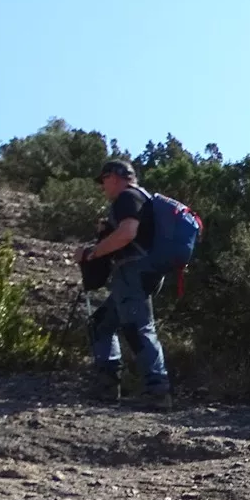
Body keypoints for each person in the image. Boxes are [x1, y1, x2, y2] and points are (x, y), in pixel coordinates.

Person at [78, 160, 171, 409]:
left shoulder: (128, 197)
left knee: (138, 329)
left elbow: (128, 233)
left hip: (133, 273)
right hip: (141, 273)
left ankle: (158, 392)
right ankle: (107, 387)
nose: (102, 187)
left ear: (115, 177)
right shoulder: (141, 198)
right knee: (101, 324)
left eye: (104, 180)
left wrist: (93, 253)